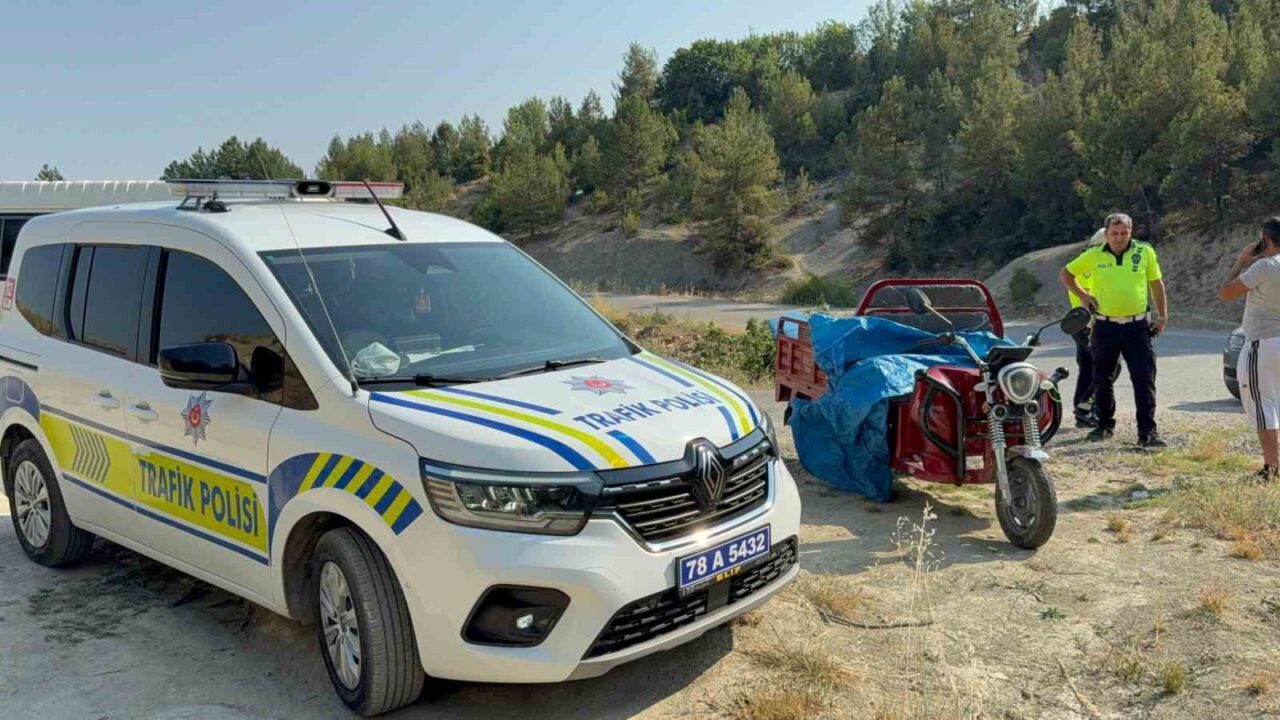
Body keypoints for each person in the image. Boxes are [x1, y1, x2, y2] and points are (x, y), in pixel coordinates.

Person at [1059, 213, 1168, 447]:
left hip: (1137, 325)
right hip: (1104, 325)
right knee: (1102, 378)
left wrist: (1162, 316)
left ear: (1131, 232)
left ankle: (1147, 433)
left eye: (1123, 233)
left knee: (1144, 378)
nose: (1119, 238)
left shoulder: (1144, 252)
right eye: (1114, 234)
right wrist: (1084, 296)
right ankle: (1104, 426)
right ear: (1106, 234)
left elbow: (1156, 283)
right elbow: (1066, 274)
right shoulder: (1093, 255)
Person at [1217, 217, 1280, 481]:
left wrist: (1242, 261)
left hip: (1263, 342)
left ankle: (1272, 469)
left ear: (1265, 238)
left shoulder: (1264, 267)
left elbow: (1226, 293)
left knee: (1262, 404)